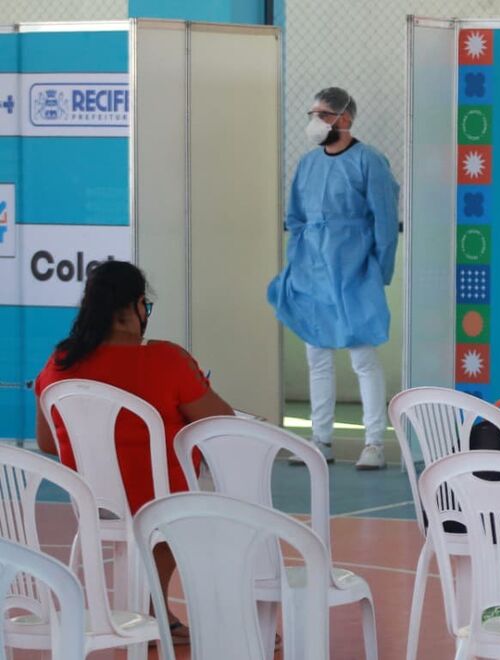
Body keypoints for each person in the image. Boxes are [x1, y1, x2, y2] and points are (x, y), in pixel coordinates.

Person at [35, 260, 234, 642]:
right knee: (206, 503)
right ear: (139, 305)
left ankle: (144, 611)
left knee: (158, 507)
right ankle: (162, 609)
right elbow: (221, 422)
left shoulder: (60, 361)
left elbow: (48, 442)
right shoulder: (166, 359)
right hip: (163, 501)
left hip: (96, 502)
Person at [267, 87, 399, 470]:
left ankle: (374, 441)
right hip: (313, 272)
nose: (315, 122)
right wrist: (297, 263)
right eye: (312, 114)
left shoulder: (368, 161)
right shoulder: (308, 164)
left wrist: (378, 269)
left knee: (362, 356)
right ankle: (319, 439)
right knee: (318, 358)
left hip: (355, 269)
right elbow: (295, 217)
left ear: (345, 118)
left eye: (323, 114)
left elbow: (385, 221)